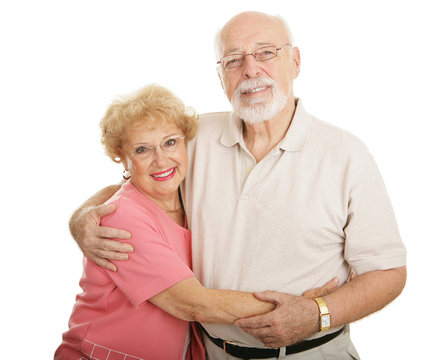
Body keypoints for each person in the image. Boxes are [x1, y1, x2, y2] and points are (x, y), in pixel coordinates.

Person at [69, 12, 407, 360]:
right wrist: (82, 218)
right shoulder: (196, 138)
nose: (250, 69)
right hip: (214, 353)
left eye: (265, 53)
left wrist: (318, 312)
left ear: (295, 61)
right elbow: (141, 180)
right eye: (234, 59)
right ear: (221, 77)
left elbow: (389, 273)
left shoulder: (346, 154)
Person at [56, 84, 290, 360]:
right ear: (122, 155)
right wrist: (297, 307)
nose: (161, 161)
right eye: (142, 149)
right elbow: (193, 304)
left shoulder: (192, 197)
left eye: (170, 142)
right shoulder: (122, 218)